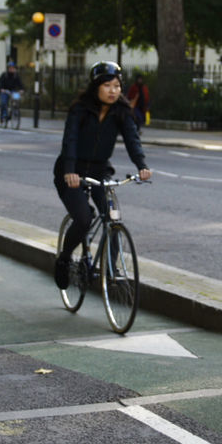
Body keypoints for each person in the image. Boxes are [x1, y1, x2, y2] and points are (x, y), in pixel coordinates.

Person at [53, 60, 151, 288]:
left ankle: (110, 267)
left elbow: (132, 140)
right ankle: (65, 259)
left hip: (99, 170)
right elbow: (70, 140)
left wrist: (141, 165)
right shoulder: (80, 109)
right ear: (96, 86)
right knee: (84, 218)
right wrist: (69, 170)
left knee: (112, 216)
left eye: (116, 86)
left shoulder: (122, 111)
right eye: (107, 86)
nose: (112, 91)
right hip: (72, 171)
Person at [0, 60, 24, 125]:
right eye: (10, 68)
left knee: (16, 100)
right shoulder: (4, 75)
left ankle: (14, 112)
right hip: (5, 91)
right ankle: (3, 115)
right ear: (8, 68)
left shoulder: (16, 76)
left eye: (13, 68)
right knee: (4, 102)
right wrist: (1, 89)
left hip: (13, 91)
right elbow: (0, 83)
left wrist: (21, 89)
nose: (12, 69)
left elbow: (20, 83)